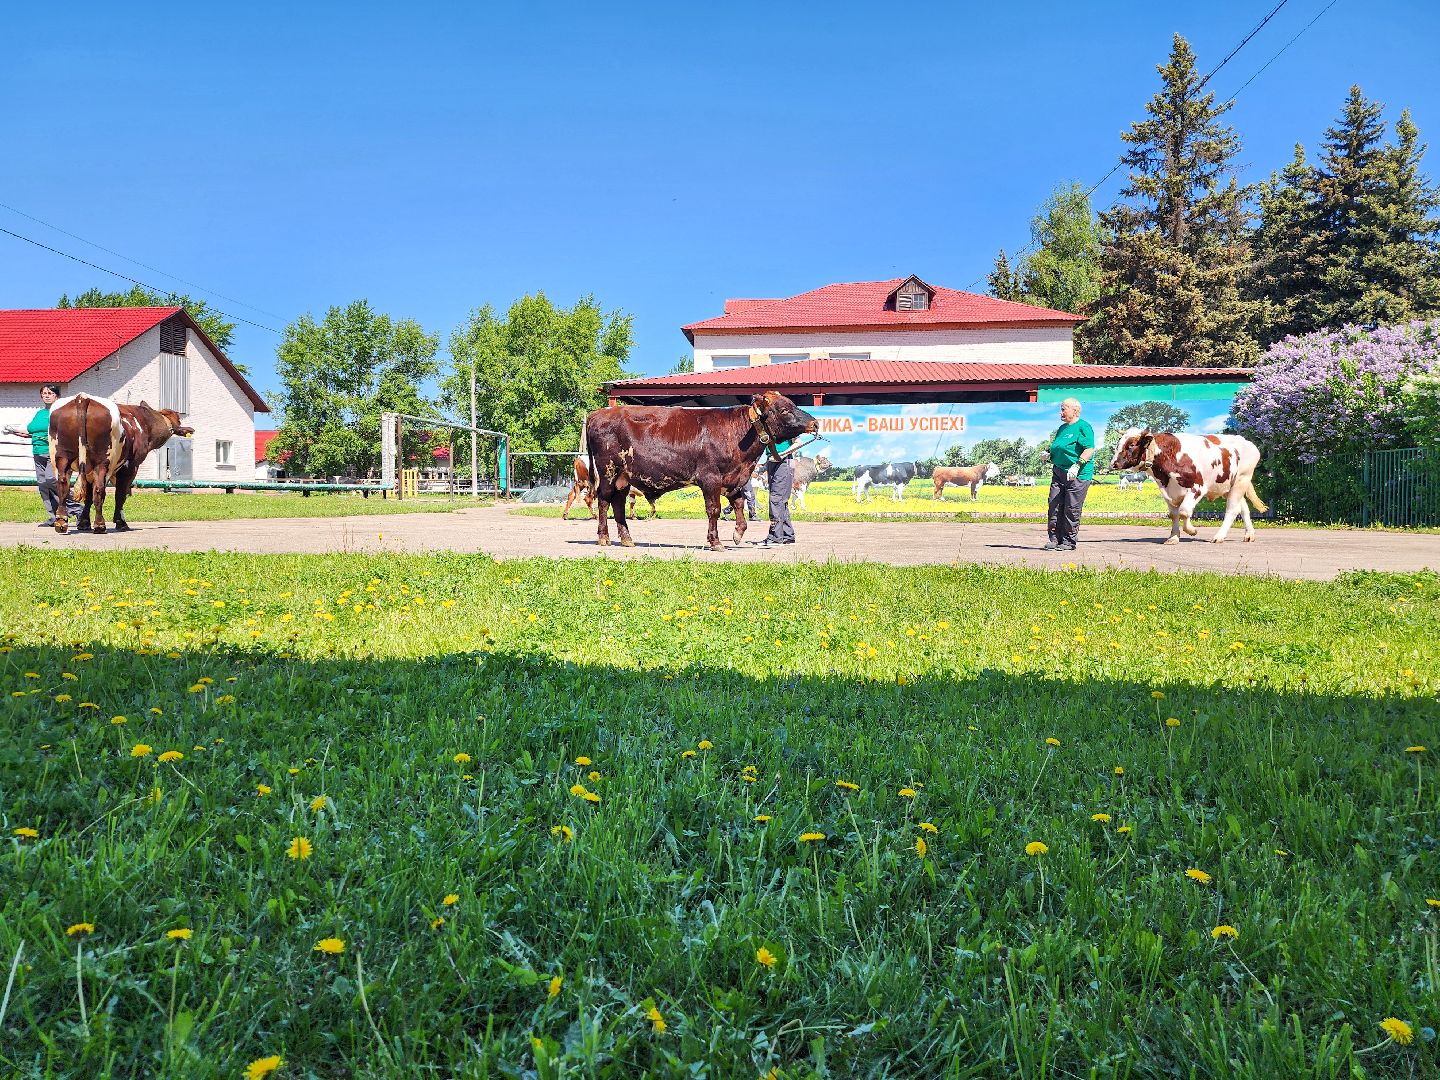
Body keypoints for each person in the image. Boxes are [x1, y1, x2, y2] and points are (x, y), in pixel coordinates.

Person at [3, 383, 81, 527]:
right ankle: (52, 517)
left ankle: (76, 509)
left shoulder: (61, 413)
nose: (46, 395)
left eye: (49, 393)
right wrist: (12, 430)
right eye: (44, 393)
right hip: (38, 452)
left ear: (56, 396)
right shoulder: (40, 413)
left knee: (52, 480)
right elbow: (30, 431)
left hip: (55, 454)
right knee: (42, 484)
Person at [1042, 397, 1095, 551]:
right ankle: (1055, 540)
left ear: (1075, 410)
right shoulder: (1062, 429)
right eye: (1061, 408)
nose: (1061, 412)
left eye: (1063, 409)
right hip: (1059, 472)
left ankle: (1068, 542)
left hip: (1077, 475)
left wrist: (1077, 465)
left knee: (1071, 508)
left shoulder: (1083, 427)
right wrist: (1048, 455)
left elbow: (1089, 449)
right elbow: (1058, 449)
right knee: (1055, 505)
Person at [757, 439, 798, 547]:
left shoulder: (787, 426)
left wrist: (782, 454)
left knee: (776, 498)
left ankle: (775, 537)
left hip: (783, 462)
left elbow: (798, 442)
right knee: (781, 501)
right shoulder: (769, 429)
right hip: (772, 461)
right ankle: (787, 535)